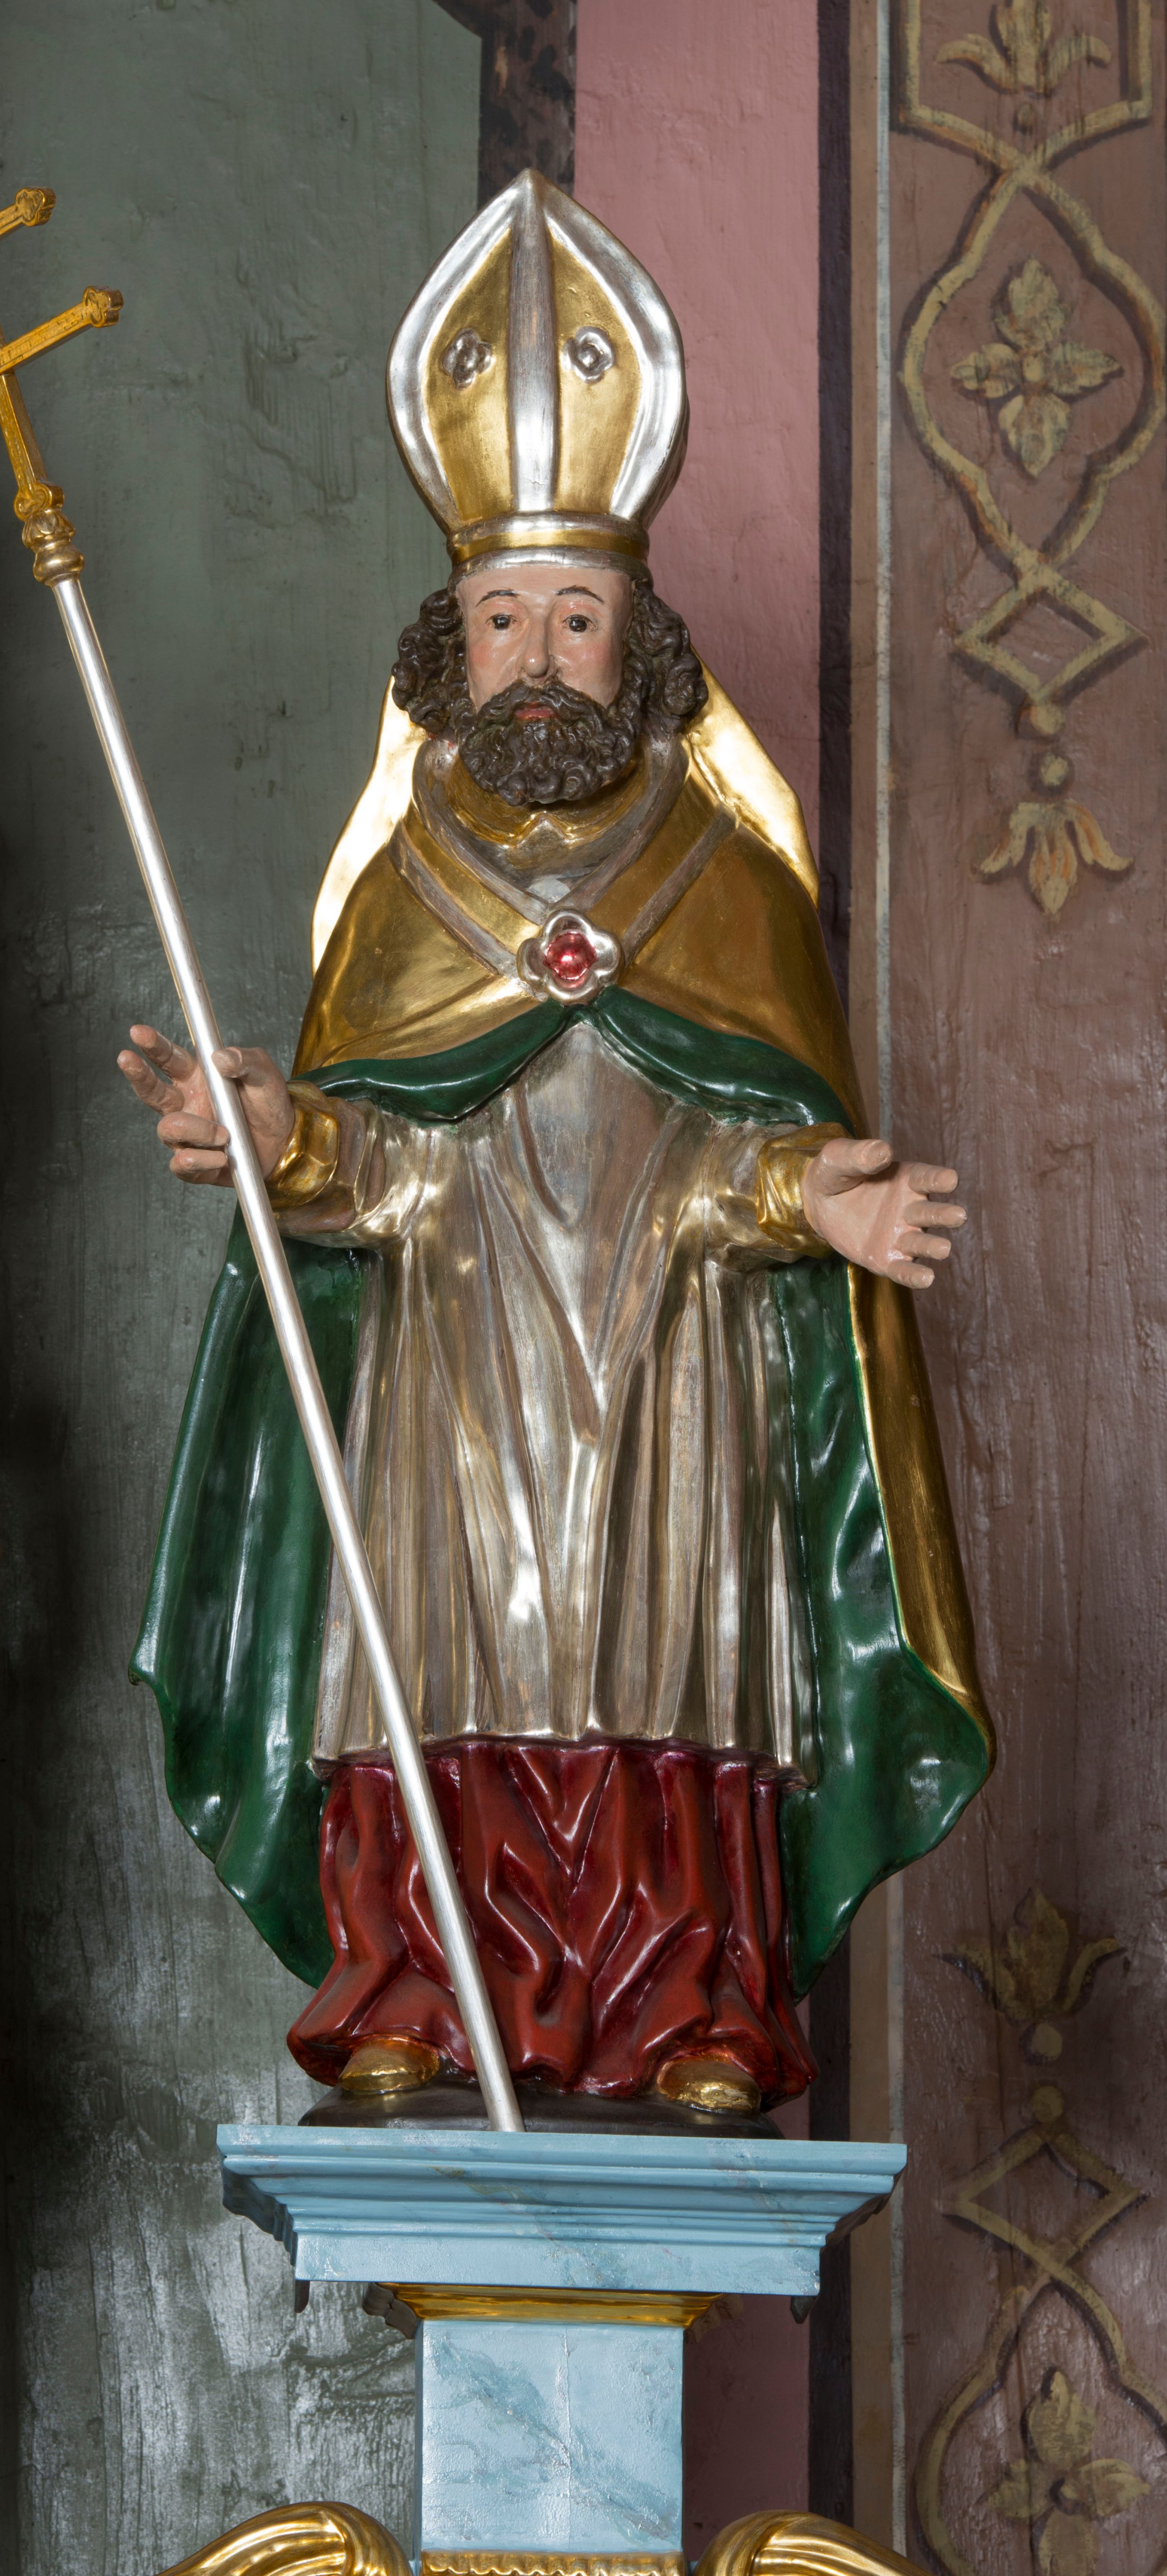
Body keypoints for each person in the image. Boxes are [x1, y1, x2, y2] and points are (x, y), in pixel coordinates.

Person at [122, 174, 993, 2120]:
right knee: (438, 1658)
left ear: (638, 640)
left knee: (679, 1662)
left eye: (574, 618)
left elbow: (747, 1133)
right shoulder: (398, 893)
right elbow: (380, 1161)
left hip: (676, 1363)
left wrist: (815, 1192)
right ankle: (422, 1981)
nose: (535, 654)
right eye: (503, 616)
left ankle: (697, 2002)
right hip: (450, 1364)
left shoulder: (731, 886)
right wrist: (283, 1137)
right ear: (451, 641)